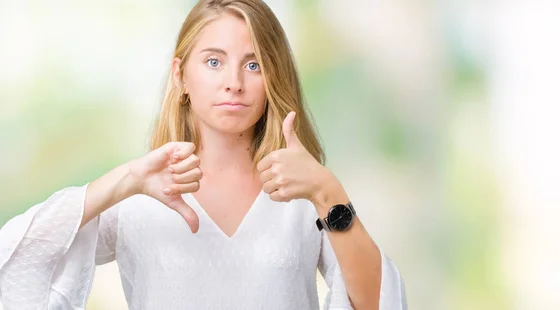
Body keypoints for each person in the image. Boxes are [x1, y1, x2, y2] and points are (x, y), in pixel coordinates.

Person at [0, 0, 407, 309]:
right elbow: (16, 260)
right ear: (181, 75)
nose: (233, 83)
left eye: (254, 65)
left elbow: (376, 302)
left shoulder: (302, 193)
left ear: (273, 77)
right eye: (214, 61)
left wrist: (326, 188)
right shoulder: (140, 197)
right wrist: (126, 181)